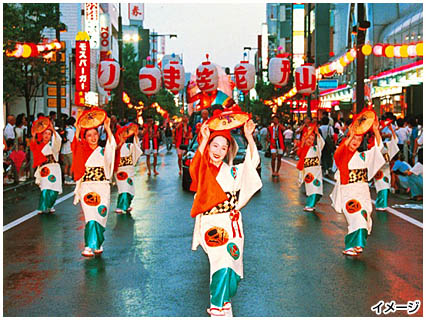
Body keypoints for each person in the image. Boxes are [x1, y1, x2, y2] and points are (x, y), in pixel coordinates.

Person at [190, 119, 262, 317]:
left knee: (233, 263)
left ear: (228, 150)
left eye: (223, 147)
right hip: (212, 223)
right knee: (221, 260)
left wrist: (249, 136)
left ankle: (225, 300)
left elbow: (252, 164)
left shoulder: (232, 171)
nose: (218, 150)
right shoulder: (204, 170)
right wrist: (203, 140)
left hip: (232, 223)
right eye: (215, 145)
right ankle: (217, 305)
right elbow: (195, 168)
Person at [330, 115, 385, 256]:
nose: (356, 142)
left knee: (363, 217)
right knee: (357, 219)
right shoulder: (342, 155)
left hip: (363, 192)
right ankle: (351, 245)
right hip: (349, 193)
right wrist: (351, 134)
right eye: (353, 139)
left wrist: (376, 131)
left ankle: (356, 244)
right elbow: (339, 152)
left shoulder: (363, 156)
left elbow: (378, 149)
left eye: (359, 139)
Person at [71, 114, 116, 257]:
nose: (92, 137)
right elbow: (75, 146)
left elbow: (112, 146)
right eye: (89, 135)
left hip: (102, 186)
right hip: (88, 186)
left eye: (95, 134)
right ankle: (89, 245)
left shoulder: (103, 150)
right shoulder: (82, 150)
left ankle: (98, 242)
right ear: (85, 137)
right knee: (91, 215)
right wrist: (77, 130)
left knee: (101, 215)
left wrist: (108, 128)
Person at [30, 118, 63, 214]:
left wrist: (53, 129)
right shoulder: (39, 145)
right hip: (44, 169)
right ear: (42, 134)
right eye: (45, 134)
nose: (47, 136)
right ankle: (42, 206)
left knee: (54, 189)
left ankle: (51, 205)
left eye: (49, 134)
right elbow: (33, 147)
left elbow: (58, 140)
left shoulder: (53, 145)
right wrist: (33, 136)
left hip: (54, 168)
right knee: (45, 187)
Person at [114, 124, 142, 214]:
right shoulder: (115, 145)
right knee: (123, 188)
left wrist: (136, 136)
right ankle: (120, 206)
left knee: (130, 188)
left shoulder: (129, 145)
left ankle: (127, 205)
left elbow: (137, 148)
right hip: (120, 169)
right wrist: (120, 143)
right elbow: (112, 153)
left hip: (129, 169)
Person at [297, 125, 325, 212]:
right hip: (308, 171)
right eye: (308, 138)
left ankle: (313, 203)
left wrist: (318, 134)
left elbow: (322, 144)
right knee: (312, 189)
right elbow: (299, 153)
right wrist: (302, 144)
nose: (310, 141)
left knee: (318, 189)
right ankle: (310, 204)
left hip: (317, 171)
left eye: (312, 139)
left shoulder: (316, 148)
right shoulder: (303, 148)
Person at [373, 123, 399, 211]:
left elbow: (395, 141)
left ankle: (382, 204)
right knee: (381, 187)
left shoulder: (388, 145)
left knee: (386, 186)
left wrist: (391, 129)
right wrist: (378, 130)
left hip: (386, 170)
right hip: (379, 170)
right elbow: (377, 141)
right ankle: (379, 204)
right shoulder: (377, 146)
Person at [61, 117, 76, 184]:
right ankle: (70, 179)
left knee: (66, 165)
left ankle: (65, 179)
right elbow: (72, 140)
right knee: (71, 165)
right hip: (69, 149)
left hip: (63, 150)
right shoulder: (71, 130)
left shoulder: (65, 129)